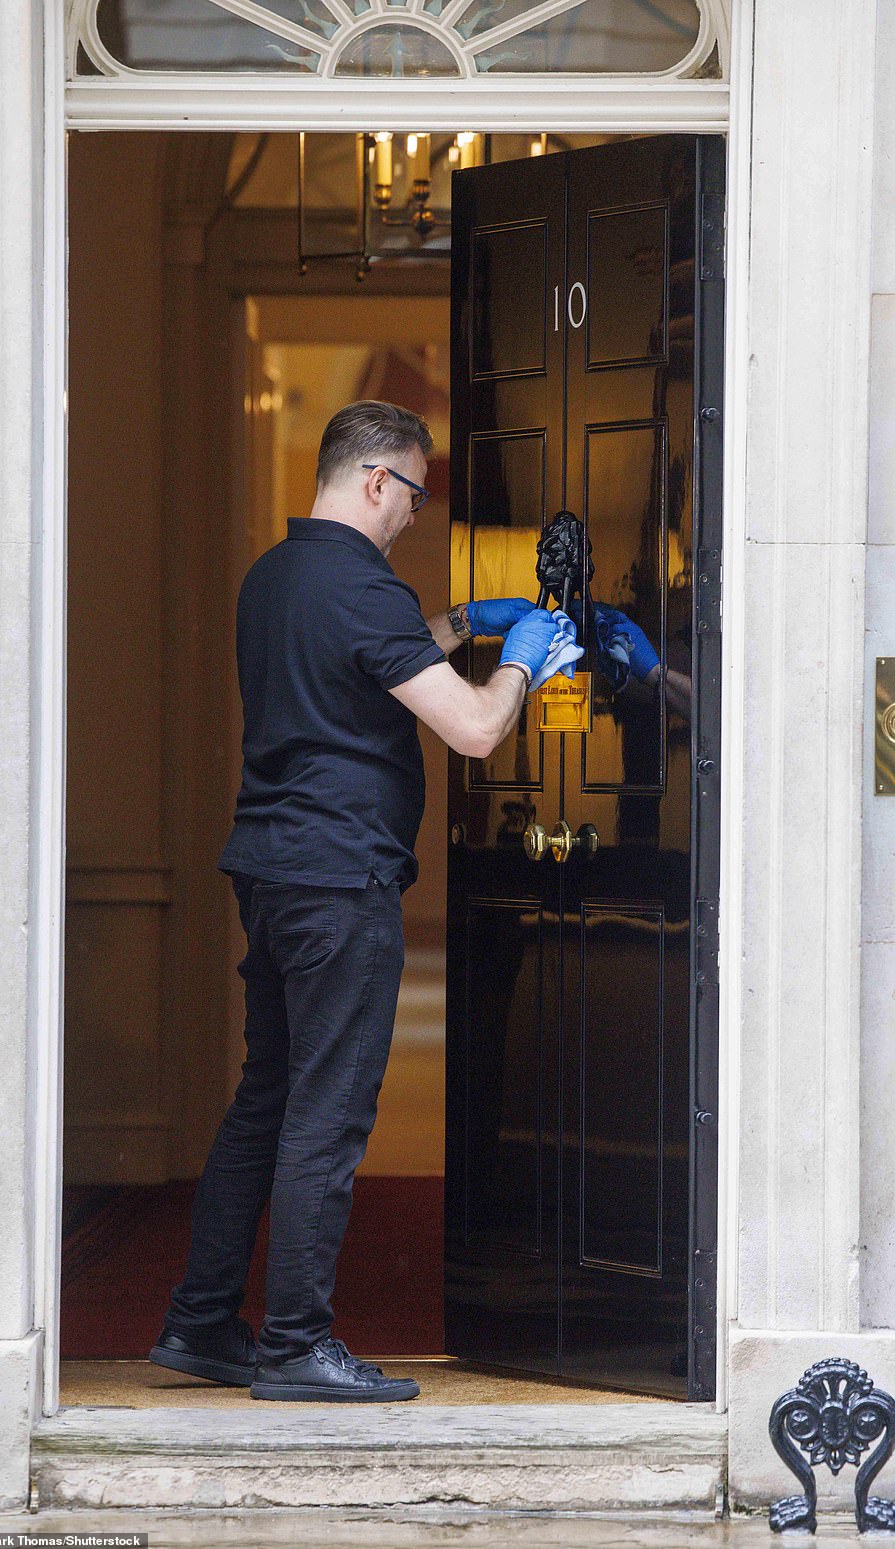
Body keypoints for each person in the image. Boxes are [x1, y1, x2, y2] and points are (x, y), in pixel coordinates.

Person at [149, 399, 562, 1403]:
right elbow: (467, 728)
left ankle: (200, 1323)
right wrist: (520, 658)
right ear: (377, 479)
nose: (415, 514)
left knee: (267, 1100)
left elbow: (366, 660)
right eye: (415, 494)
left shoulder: (275, 577)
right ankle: (295, 1343)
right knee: (325, 1116)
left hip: (274, 870)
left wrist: (464, 622)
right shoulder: (362, 586)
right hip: (340, 878)